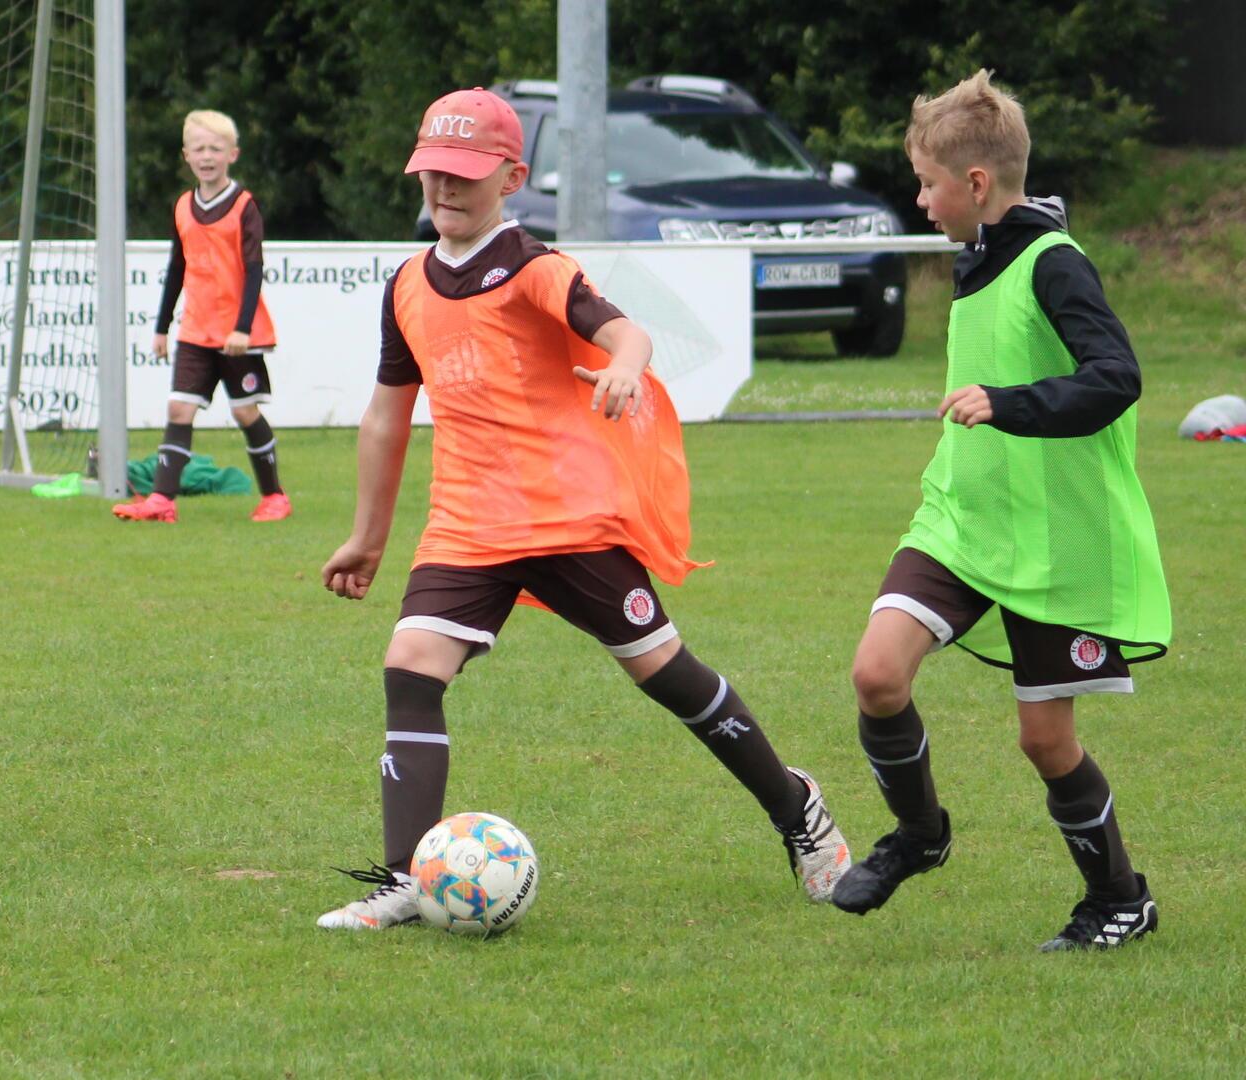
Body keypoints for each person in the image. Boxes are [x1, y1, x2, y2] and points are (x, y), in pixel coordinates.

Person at [315, 89, 849, 931]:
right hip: (469, 524)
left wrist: (626, 367)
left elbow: (625, 332)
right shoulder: (407, 285)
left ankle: (798, 810)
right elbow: (388, 414)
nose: (445, 189)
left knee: (668, 677)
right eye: (433, 173)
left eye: (465, 174)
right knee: (410, 669)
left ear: (512, 177)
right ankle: (405, 881)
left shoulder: (534, 267)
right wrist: (367, 537)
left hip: (568, 519)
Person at [831, 71, 1169, 951]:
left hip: (1055, 541)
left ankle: (1118, 900)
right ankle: (920, 835)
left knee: (1045, 740)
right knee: (877, 675)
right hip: (960, 522)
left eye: (927, 183)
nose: (919, 197)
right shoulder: (978, 250)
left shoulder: (1053, 262)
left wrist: (1009, 402)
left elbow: (1117, 379)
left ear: (975, 185)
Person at [113, 109, 290, 523]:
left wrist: (244, 328)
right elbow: (178, 266)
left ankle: (275, 497)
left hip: (236, 334)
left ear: (233, 154)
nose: (207, 156)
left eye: (215, 148)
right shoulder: (182, 206)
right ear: (185, 156)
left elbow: (254, 268)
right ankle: (162, 501)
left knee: (245, 411)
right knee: (179, 409)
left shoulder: (244, 205)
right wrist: (161, 327)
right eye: (199, 148)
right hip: (195, 330)